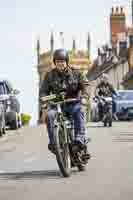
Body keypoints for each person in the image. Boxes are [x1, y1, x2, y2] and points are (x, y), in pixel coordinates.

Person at [39, 48, 90, 155]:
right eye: (58, 62)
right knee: (49, 116)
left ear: (66, 62)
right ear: (55, 63)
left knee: (79, 110)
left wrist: (84, 96)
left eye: (62, 61)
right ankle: (53, 143)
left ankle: (79, 138)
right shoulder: (49, 76)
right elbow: (43, 91)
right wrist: (44, 101)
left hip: (72, 103)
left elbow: (85, 85)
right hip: (56, 105)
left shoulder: (76, 73)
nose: (60, 64)